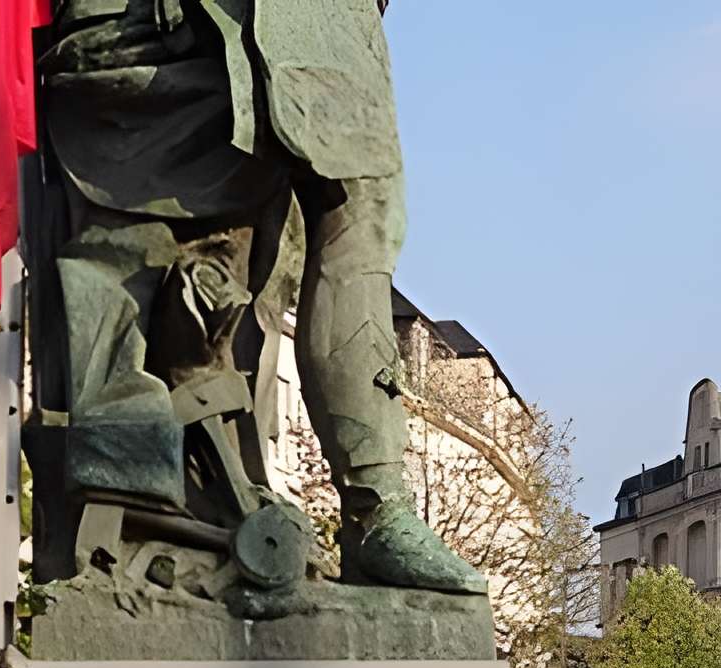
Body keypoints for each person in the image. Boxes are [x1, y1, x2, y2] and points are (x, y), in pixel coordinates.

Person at [38, 0, 483, 596]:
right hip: (172, 39)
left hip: (300, 35)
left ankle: (376, 508)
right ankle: (373, 509)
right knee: (347, 206)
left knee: (357, 209)